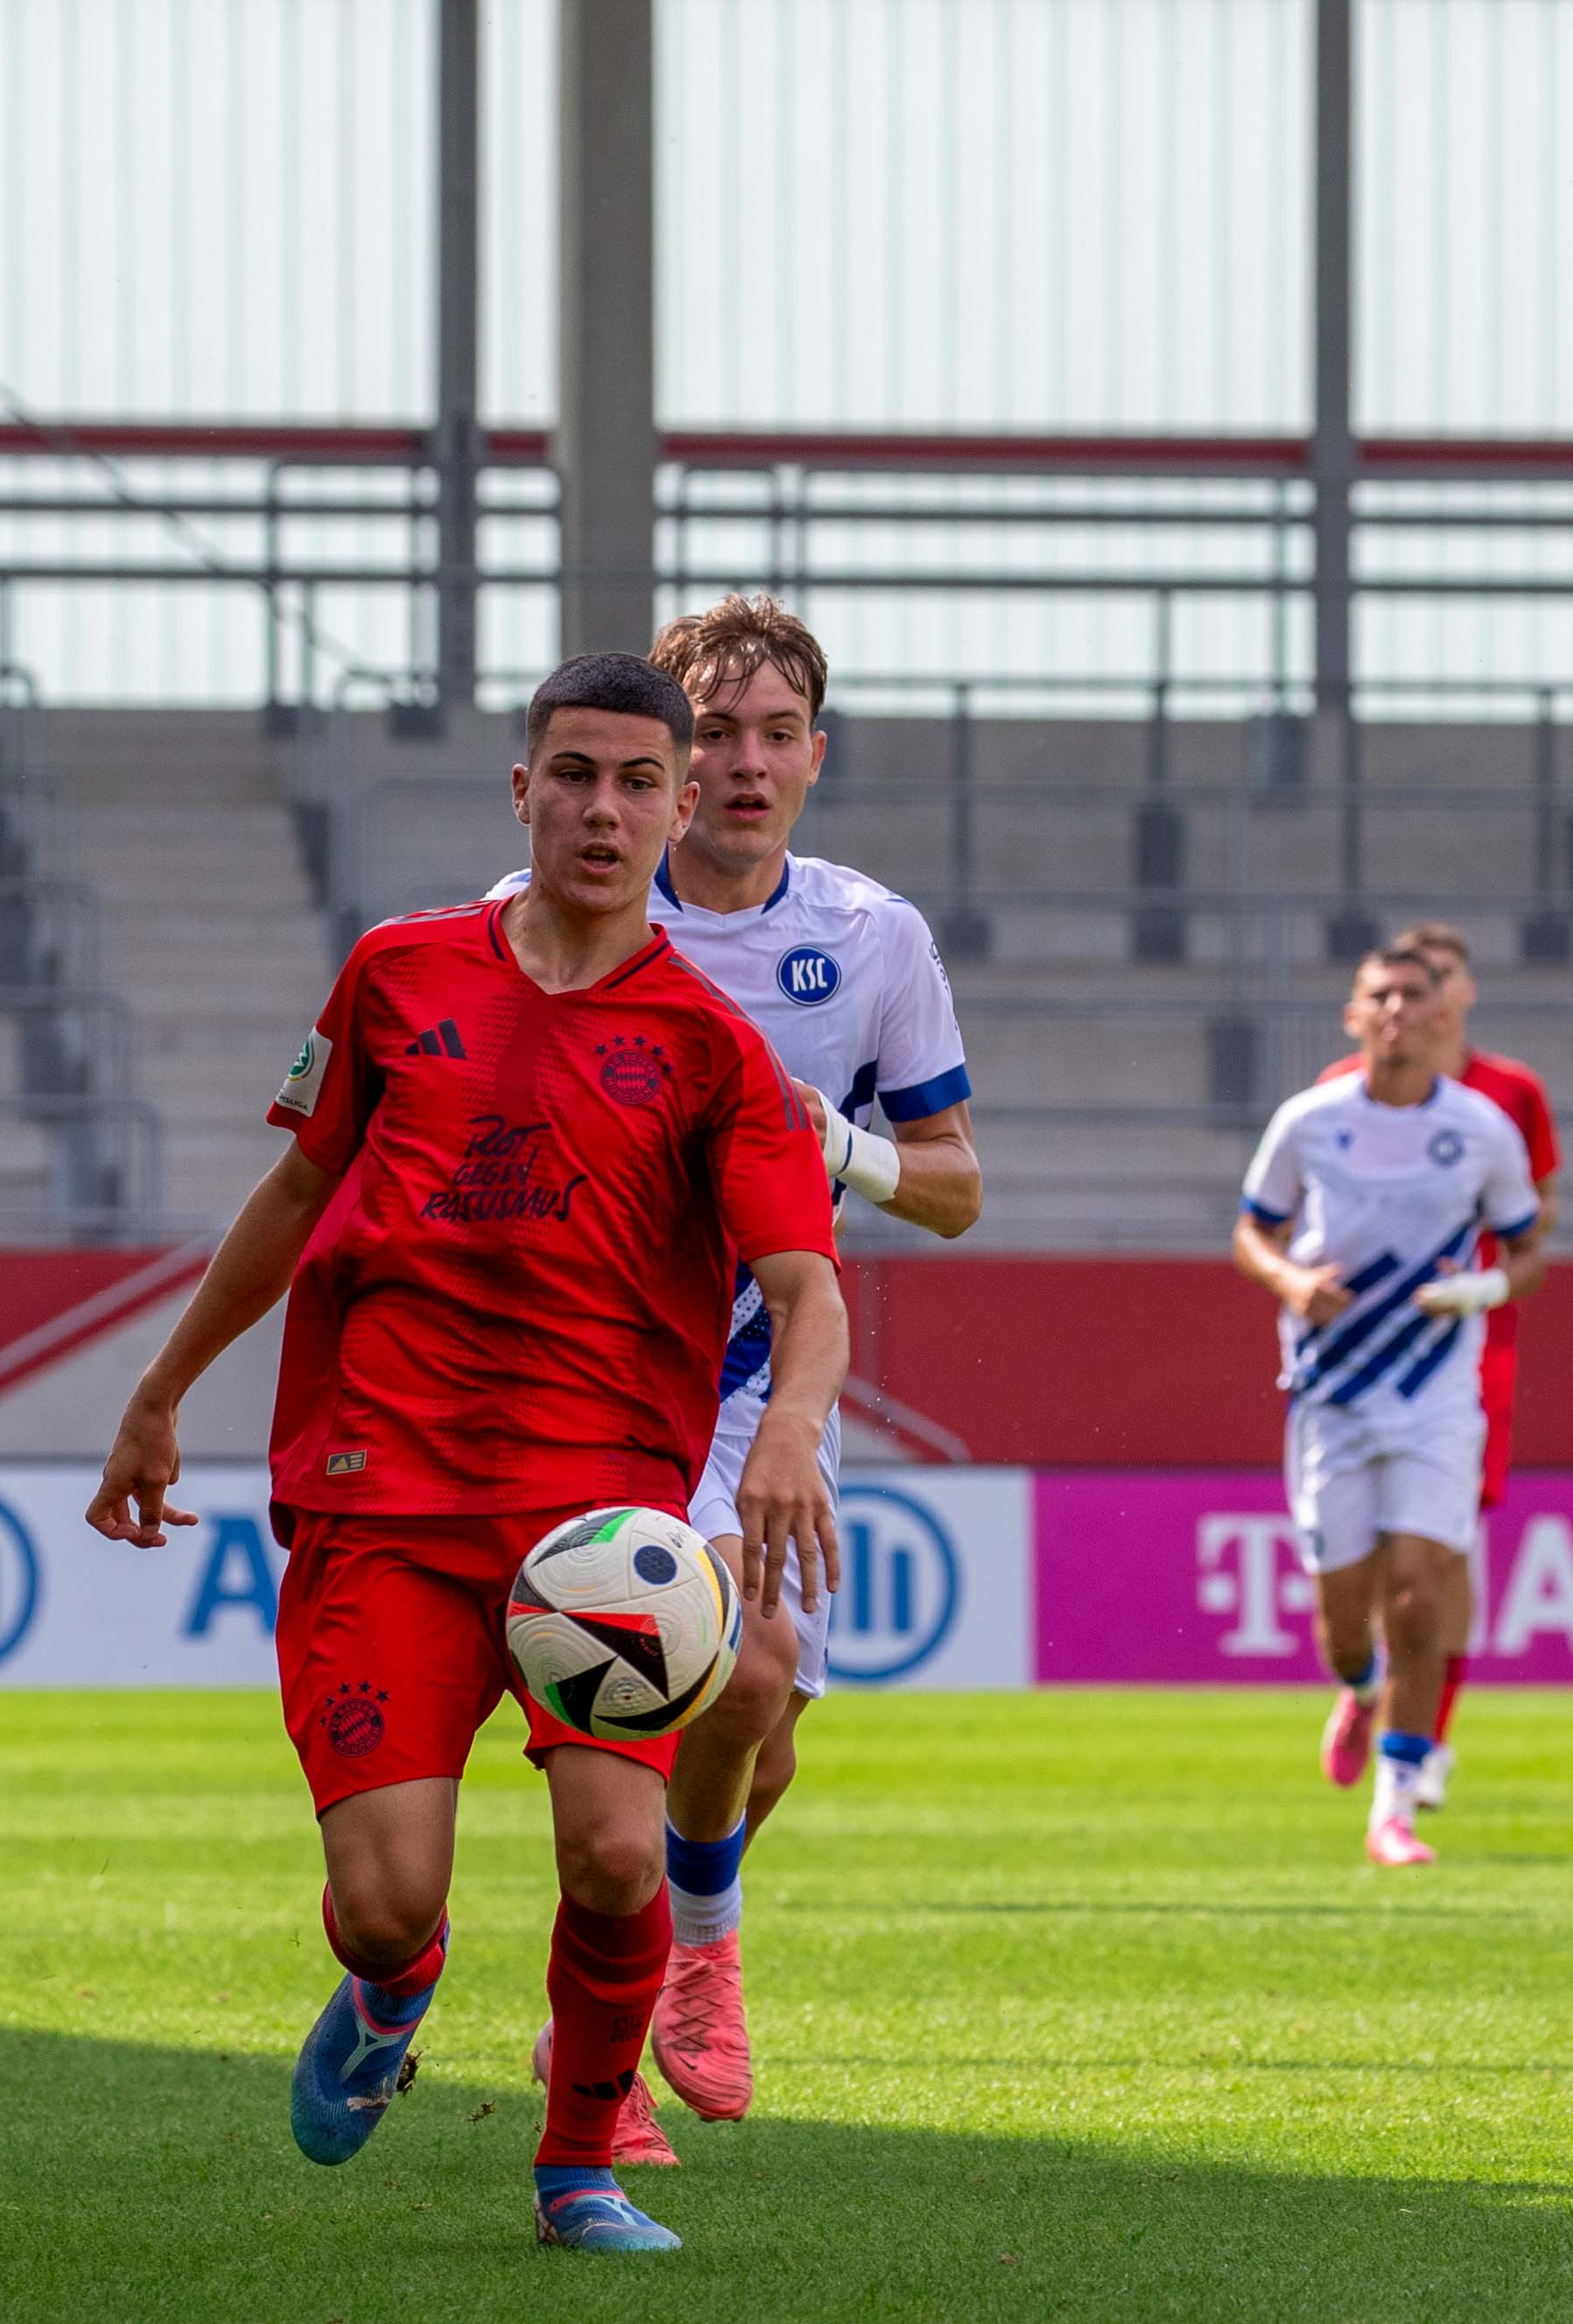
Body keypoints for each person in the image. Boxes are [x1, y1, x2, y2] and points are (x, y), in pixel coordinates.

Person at [86, 653, 852, 2257]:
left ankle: (578, 2168)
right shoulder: (394, 974)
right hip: (384, 1498)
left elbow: (804, 1281)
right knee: (383, 1898)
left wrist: (785, 1420)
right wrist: (160, 1391)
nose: (603, 806)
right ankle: (391, 1986)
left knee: (615, 1850)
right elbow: (294, 1196)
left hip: (601, 1531)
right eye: (573, 773)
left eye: (638, 780)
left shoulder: (712, 1049)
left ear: (677, 803)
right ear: (523, 790)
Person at [490, 595, 981, 2140]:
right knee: (728, 1669)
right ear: (659, 759)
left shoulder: (871, 936)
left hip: (771, 1374)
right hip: (595, 1368)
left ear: (815, 758)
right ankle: (679, 1969)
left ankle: (653, 1968)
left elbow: (954, 1184)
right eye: (713, 733)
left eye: (777, 736)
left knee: (754, 1734)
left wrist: (819, 1137)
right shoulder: (549, 906)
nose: (744, 764)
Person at [1232, 945, 1546, 1867]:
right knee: (1343, 1618)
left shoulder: (1482, 1125)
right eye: (1381, 996)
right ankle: (1358, 1688)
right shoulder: (1310, 1118)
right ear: (1352, 1015)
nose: (1399, 1011)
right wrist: (1290, 1278)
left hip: (1435, 1397)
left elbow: (1526, 1248)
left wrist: (1480, 1293)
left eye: (1415, 994)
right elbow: (1254, 1228)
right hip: (1331, 1392)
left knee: (1417, 1593)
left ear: (1443, 1007)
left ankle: (1394, 1807)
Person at [1318, 922, 1561, 1809]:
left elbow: (1535, 1218)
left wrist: (1483, 1285)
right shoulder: (1334, 1098)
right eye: (1414, 984)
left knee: (1438, 1561)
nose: (1428, 998)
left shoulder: (1507, 1097)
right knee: (1368, 1570)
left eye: (1445, 981)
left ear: (1460, 995)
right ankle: (1367, 1685)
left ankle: (1423, 1742)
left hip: (1464, 1352)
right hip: (1352, 1366)